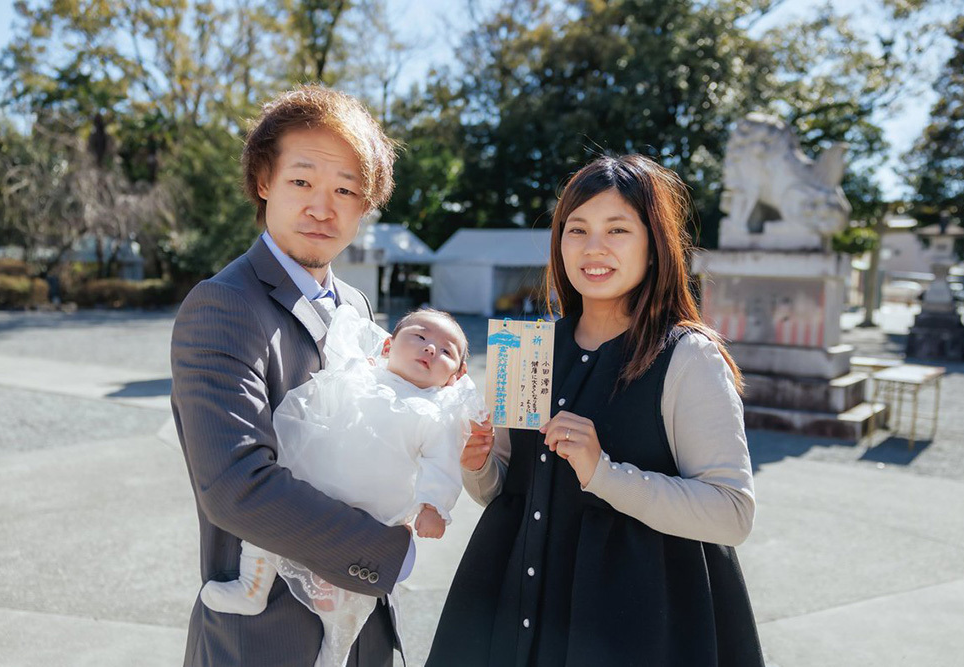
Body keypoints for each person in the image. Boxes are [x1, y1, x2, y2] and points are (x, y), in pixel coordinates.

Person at [428, 154, 765, 666]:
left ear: (655, 245)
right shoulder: (526, 347)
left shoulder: (687, 356)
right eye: (576, 229)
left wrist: (604, 473)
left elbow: (732, 514)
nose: (593, 247)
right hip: (514, 608)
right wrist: (477, 463)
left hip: (633, 630)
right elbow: (507, 491)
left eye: (618, 229)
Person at [171, 85, 414, 667]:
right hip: (268, 639)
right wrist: (385, 552)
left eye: (346, 190)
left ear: (366, 204)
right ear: (263, 182)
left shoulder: (354, 305)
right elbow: (236, 488)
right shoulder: (223, 306)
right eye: (301, 182)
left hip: (365, 636)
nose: (322, 207)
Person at [198, 304, 485, 667]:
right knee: (266, 529)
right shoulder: (358, 373)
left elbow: (441, 465)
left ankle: (335, 654)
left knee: (346, 603)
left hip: (367, 514)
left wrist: (434, 507)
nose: (431, 348)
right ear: (386, 347)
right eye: (421, 336)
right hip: (310, 487)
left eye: (447, 351)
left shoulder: (435, 413)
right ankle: (251, 587)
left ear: (455, 377)